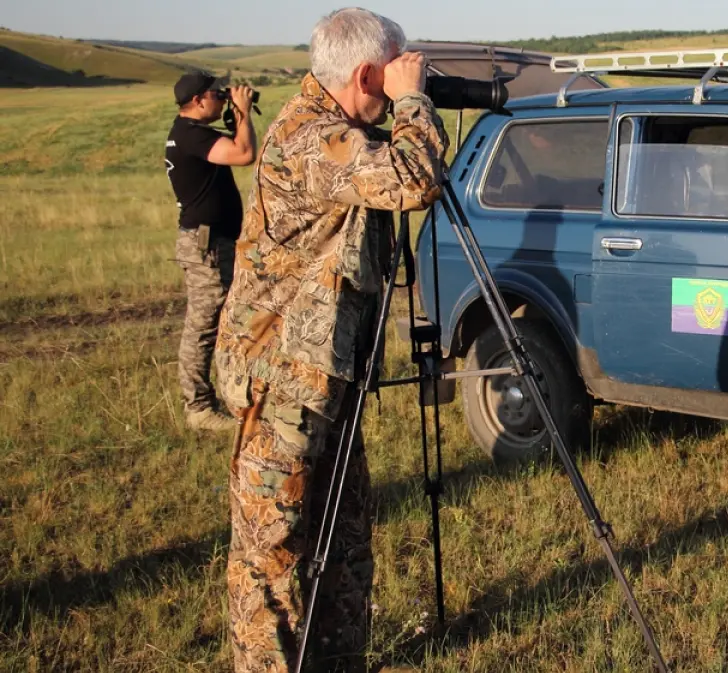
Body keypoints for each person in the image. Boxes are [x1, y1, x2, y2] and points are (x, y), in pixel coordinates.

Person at [213, 7, 448, 672]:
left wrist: (408, 105)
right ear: (370, 73)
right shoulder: (312, 138)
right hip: (283, 384)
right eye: (395, 72)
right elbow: (413, 179)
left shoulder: (344, 133)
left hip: (326, 381)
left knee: (343, 551)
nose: (402, 81)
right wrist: (415, 102)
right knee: (273, 560)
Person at [164, 71, 257, 432]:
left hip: (212, 241)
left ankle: (220, 398)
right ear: (199, 100)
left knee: (220, 321)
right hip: (206, 245)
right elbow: (244, 153)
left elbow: (235, 147)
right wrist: (245, 114)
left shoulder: (189, 133)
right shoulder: (191, 135)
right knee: (203, 327)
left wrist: (236, 118)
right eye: (217, 96)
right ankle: (199, 408)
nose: (222, 100)